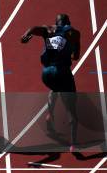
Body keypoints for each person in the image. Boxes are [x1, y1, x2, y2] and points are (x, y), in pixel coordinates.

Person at [21, 14, 80, 151]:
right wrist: (68, 50)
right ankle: (74, 145)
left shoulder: (48, 29)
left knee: (55, 88)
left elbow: (33, 29)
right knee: (71, 107)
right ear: (68, 22)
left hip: (47, 74)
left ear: (56, 23)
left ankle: (50, 114)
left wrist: (26, 36)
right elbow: (76, 57)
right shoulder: (74, 33)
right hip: (62, 72)